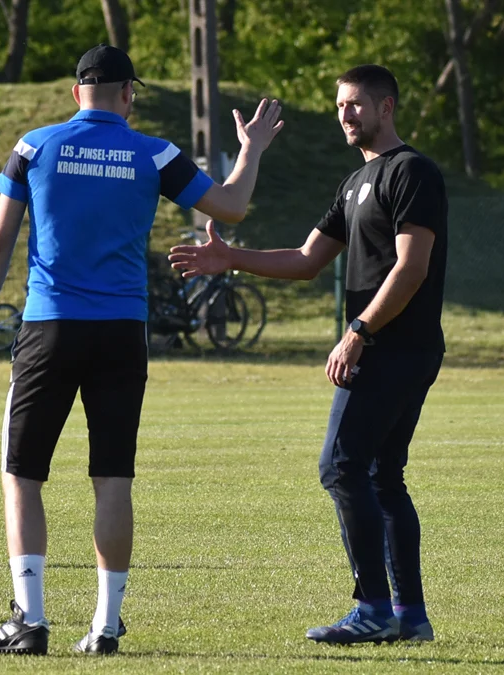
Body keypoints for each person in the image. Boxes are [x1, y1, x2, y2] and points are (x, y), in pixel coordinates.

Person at [0, 44, 283, 656]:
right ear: (128, 94)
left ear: (74, 91)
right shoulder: (154, 152)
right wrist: (252, 149)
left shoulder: (35, 144)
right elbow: (232, 207)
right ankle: (105, 627)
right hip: (122, 331)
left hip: (50, 328)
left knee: (23, 475)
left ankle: (30, 622)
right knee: (112, 478)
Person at [168, 64, 446, 645]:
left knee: (341, 467)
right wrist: (231, 258)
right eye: (340, 105)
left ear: (386, 107)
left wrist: (359, 332)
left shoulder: (412, 172)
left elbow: (412, 265)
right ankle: (410, 617)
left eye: (355, 105)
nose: (344, 115)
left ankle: (372, 609)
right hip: (387, 346)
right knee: (380, 475)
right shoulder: (353, 184)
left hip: (396, 346)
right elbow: (305, 259)